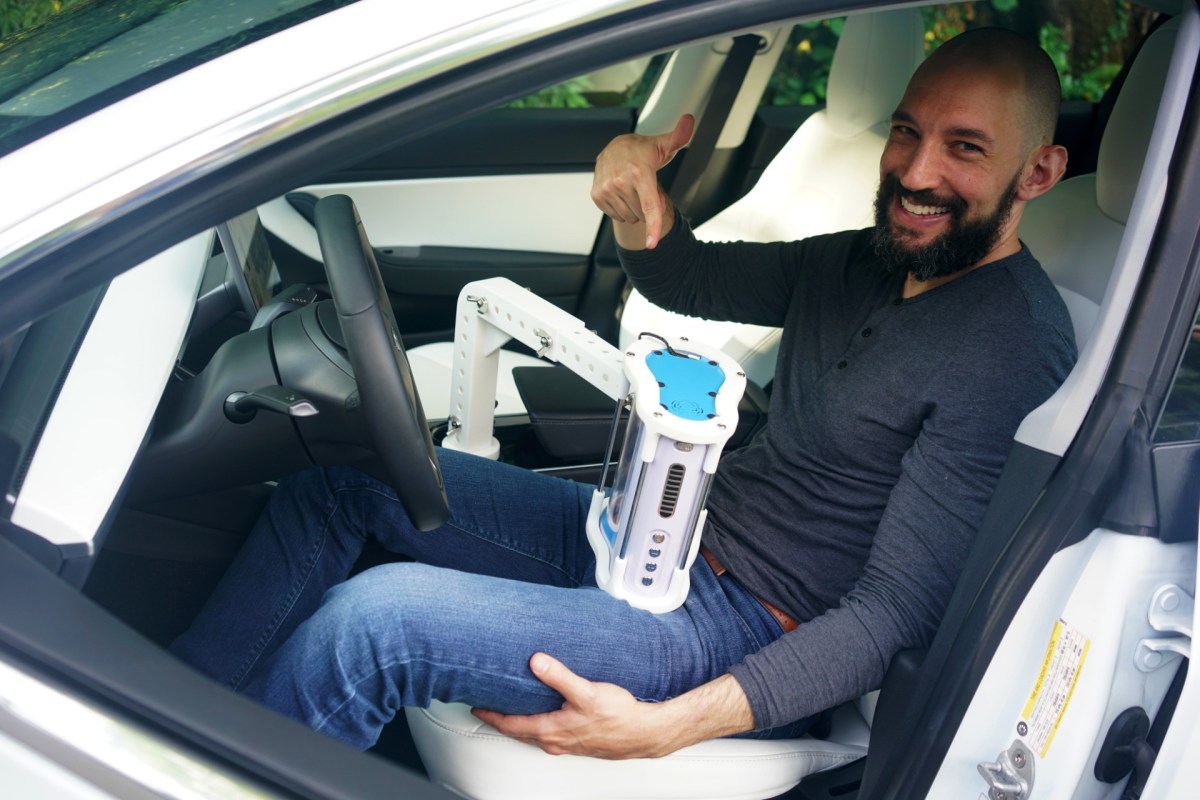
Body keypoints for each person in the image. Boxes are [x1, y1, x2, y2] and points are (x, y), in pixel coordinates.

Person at [171, 27, 1076, 759]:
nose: (915, 173)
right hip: (654, 532)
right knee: (339, 477)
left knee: (373, 626)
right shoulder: (866, 257)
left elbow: (894, 615)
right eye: (907, 133)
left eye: (964, 148)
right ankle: (162, 732)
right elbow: (691, 279)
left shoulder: (1009, 345)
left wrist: (666, 727)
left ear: (1038, 172)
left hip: (738, 630)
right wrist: (640, 202)